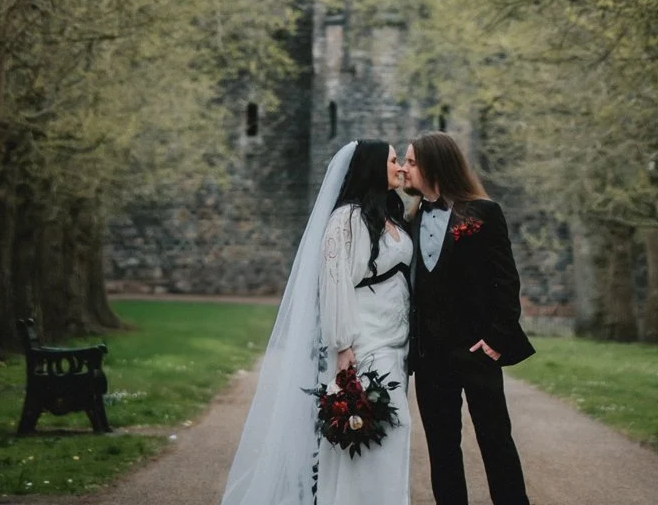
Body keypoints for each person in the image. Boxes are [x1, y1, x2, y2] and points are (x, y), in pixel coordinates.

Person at [221, 137, 413, 505]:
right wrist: (343, 346)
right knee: (379, 430)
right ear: (373, 167)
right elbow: (336, 283)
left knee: (390, 433)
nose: (400, 167)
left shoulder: (389, 215)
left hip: (396, 339)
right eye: (393, 161)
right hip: (364, 341)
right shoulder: (346, 219)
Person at [403, 132, 534, 505]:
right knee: (442, 449)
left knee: (496, 441)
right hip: (430, 359)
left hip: (476, 350)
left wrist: (496, 338)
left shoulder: (483, 213)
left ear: (434, 165)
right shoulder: (410, 219)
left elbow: (506, 282)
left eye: (412, 162)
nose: (405, 169)